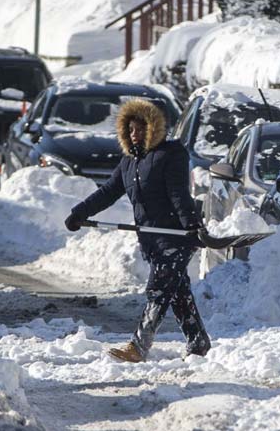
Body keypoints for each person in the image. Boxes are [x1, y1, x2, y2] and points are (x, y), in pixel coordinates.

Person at [64, 99, 211, 363]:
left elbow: (179, 194)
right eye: (131, 130)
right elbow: (108, 192)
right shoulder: (129, 163)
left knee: (158, 290)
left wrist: (192, 226)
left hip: (176, 236)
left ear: (154, 128)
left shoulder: (171, 154)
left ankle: (139, 346)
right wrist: (80, 212)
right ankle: (198, 342)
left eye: (141, 129)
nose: (135, 134)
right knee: (177, 292)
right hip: (152, 239)